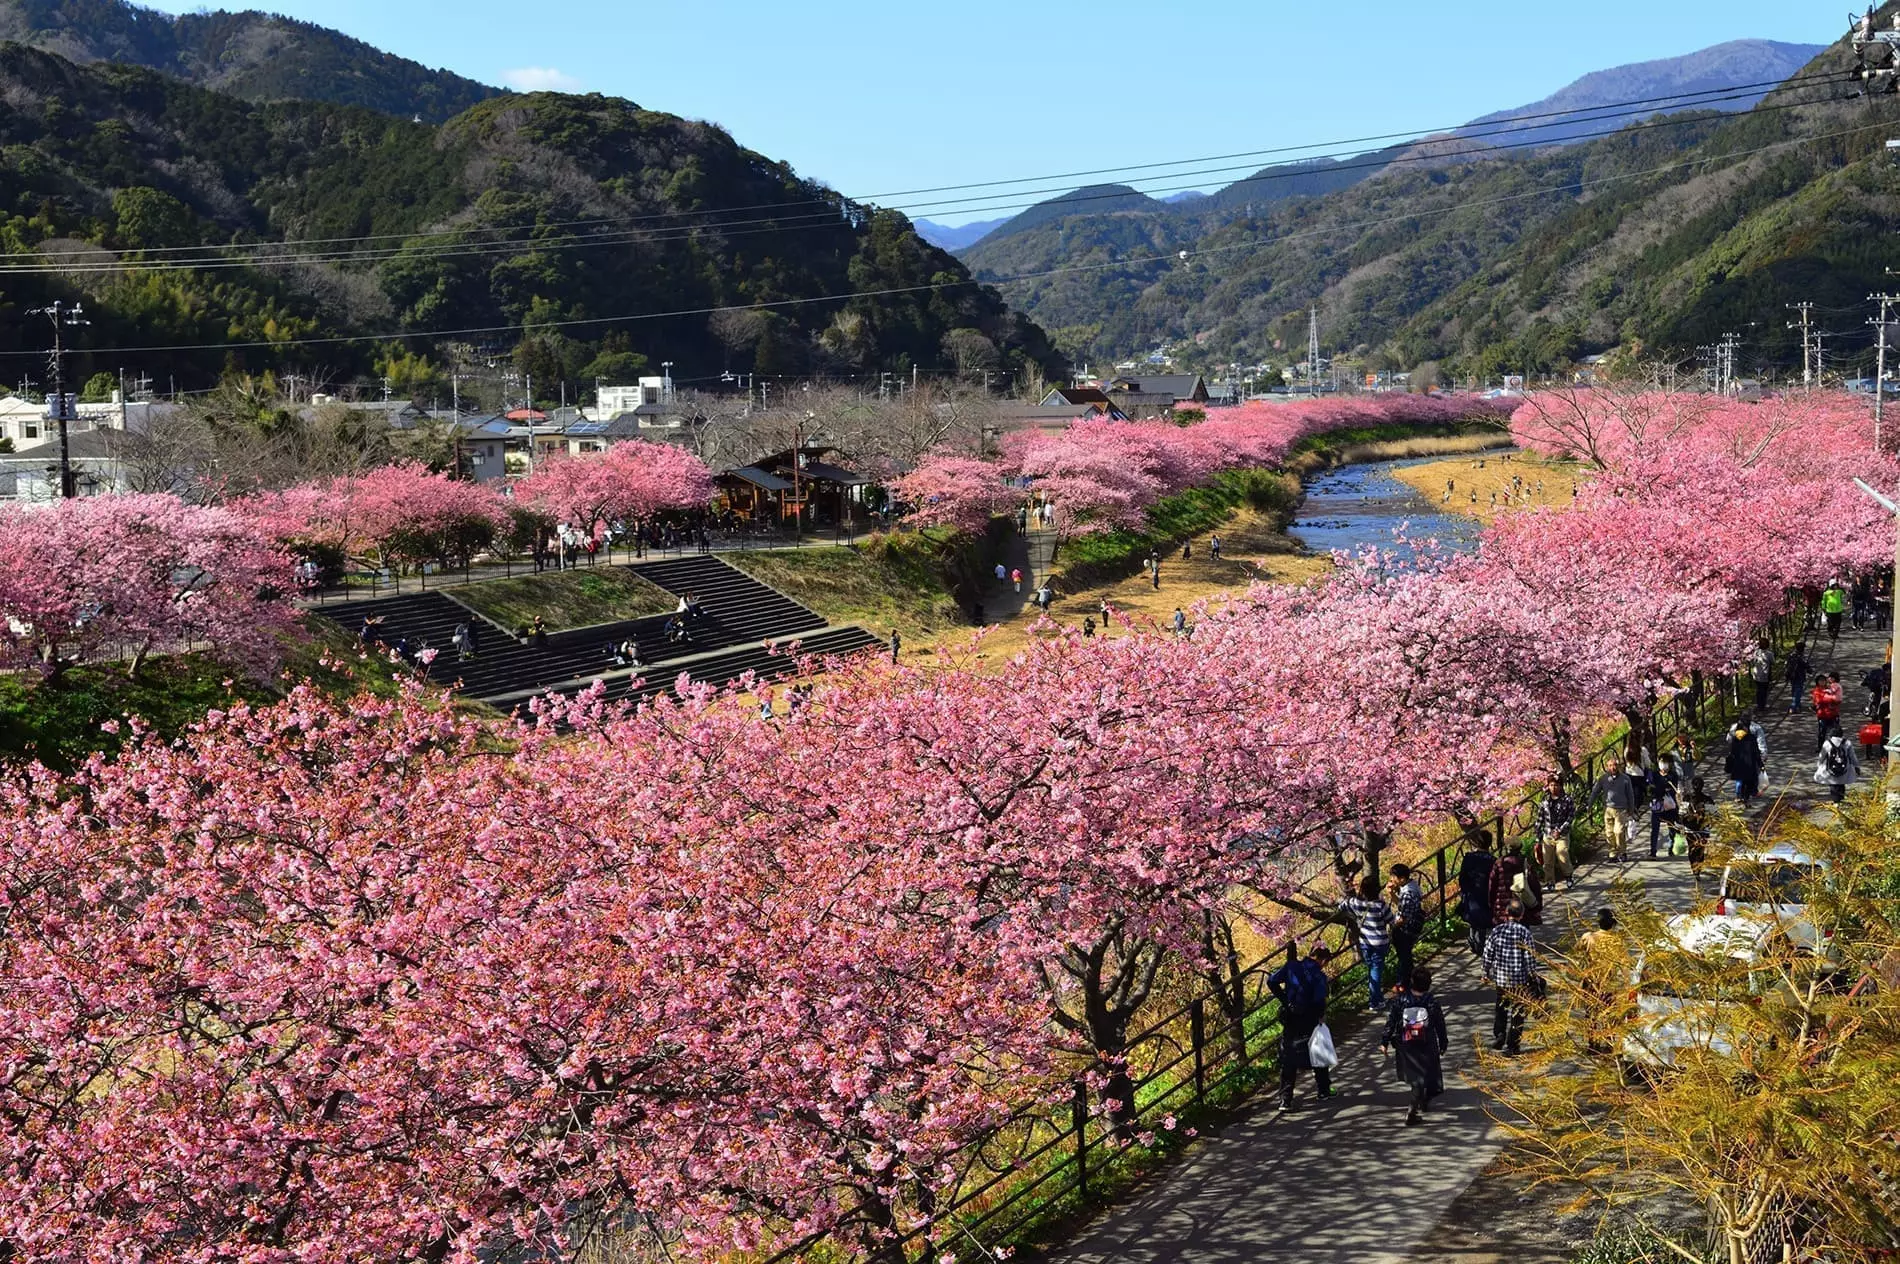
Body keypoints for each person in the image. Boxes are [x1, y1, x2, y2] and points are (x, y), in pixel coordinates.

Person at [1268, 945, 1335, 1111]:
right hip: (1310, 1017)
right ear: (1323, 960)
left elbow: (1271, 981)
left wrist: (1286, 1001)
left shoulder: (1292, 966)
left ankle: (1285, 1099)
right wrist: (1321, 1016)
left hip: (1290, 1016)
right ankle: (1323, 1090)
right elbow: (1319, 1000)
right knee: (1317, 1050)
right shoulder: (1319, 976)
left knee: (1289, 1055)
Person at [1381, 968, 1448, 1126]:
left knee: (1414, 1076)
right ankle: (1414, 1108)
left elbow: (1391, 1021)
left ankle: (1418, 1100)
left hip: (1406, 1043)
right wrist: (1443, 1042)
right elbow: (1439, 1024)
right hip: (1427, 1042)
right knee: (1427, 1075)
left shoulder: (1401, 1000)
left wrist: (1384, 1040)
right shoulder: (1431, 1001)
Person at [1482, 900, 1542, 1055]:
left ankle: (1500, 1034)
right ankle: (1512, 1045)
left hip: (1502, 979)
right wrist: (1533, 976)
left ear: (1506, 913)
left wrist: (1485, 971)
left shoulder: (1497, 931)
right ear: (1521, 915)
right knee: (1517, 1013)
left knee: (1501, 1008)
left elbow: (1488, 952)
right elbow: (1529, 957)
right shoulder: (1524, 932)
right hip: (1519, 980)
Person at [1340, 875, 1397, 1010]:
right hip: (1380, 942)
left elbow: (1342, 905)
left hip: (1365, 942)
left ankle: (1376, 998)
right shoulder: (1381, 905)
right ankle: (1374, 1001)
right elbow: (1392, 921)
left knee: (1372, 969)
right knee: (1375, 970)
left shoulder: (1356, 903)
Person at [1588, 757, 1642, 863]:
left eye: (1615, 765)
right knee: (1609, 833)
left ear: (1619, 766)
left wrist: (1631, 808)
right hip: (1608, 808)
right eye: (1611, 765)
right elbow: (1595, 792)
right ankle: (1612, 853)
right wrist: (1589, 804)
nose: (1613, 767)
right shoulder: (1603, 779)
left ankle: (1622, 852)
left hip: (1621, 809)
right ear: (1607, 767)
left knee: (1619, 831)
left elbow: (1630, 795)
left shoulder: (1625, 779)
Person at [1531, 776, 1575, 888]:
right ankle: (1550, 881)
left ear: (1560, 786)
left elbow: (1570, 817)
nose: (1553, 788)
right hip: (1548, 834)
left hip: (1562, 834)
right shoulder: (1545, 801)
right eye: (1551, 785)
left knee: (1562, 854)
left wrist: (1560, 830)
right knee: (1547, 860)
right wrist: (1537, 836)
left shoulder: (1567, 800)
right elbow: (1540, 818)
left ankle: (1569, 876)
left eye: (1556, 785)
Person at [1388, 863, 1425, 985]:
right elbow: (1402, 905)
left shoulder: (1408, 893)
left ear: (1402, 879)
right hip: (1411, 927)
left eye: (1393, 877)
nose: (1391, 879)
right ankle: (1408, 982)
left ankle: (1403, 984)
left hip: (1405, 930)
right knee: (1406, 957)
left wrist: (1392, 928)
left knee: (1404, 958)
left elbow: (1403, 918)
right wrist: (1392, 893)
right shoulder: (1412, 885)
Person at [1459, 836, 1496, 956]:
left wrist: (1464, 890)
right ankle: (1479, 944)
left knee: (1472, 916)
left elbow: (1462, 877)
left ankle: (1473, 941)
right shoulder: (1492, 860)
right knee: (1483, 919)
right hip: (1486, 893)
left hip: (1471, 892)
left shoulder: (1469, 857)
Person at [1648, 752, 1683, 860]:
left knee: (1672, 828)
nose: (1663, 765)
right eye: (1661, 762)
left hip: (1670, 805)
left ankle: (1671, 847)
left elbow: (1671, 788)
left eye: (1665, 762)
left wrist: (1660, 787)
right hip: (1657, 805)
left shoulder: (1673, 775)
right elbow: (1651, 788)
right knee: (1655, 828)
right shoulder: (1654, 774)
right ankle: (1653, 851)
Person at [1815, 726, 1860, 803]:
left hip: (1831, 768)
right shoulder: (1847, 743)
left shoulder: (1827, 743)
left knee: (1833, 784)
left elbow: (1822, 756)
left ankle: (1835, 801)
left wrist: (1819, 764)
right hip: (1844, 768)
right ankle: (1840, 798)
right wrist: (1856, 766)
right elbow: (1852, 756)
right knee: (1841, 783)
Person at [1725, 722, 1764, 802]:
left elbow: (1732, 752)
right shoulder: (1751, 738)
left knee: (1739, 780)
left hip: (1738, 764)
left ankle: (1739, 796)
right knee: (1749, 782)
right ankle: (1746, 798)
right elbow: (1756, 752)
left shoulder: (1734, 738)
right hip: (1749, 764)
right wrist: (1760, 764)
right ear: (1746, 728)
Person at [1812, 675, 1845, 752]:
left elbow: (1838, 699)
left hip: (1833, 713)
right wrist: (1831, 698)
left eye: (1823, 680)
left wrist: (1830, 698)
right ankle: (1820, 747)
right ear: (1817, 682)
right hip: (1822, 714)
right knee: (1822, 732)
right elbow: (1819, 700)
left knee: (1836, 731)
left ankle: (1836, 747)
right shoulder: (1816, 691)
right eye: (1820, 680)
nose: (1822, 682)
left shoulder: (1831, 688)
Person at [1749, 637, 1775, 711]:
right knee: (1764, 690)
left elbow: (1752, 661)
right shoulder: (1769, 654)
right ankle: (1762, 705)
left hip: (1756, 674)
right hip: (1765, 674)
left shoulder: (1756, 652)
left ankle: (1759, 704)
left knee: (1759, 689)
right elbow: (1773, 662)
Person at [1786, 639, 1810, 714]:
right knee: (1798, 691)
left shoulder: (1791, 655)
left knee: (1794, 690)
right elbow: (1806, 665)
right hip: (1800, 675)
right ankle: (1793, 706)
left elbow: (1787, 664)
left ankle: (1798, 705)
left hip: (1792, 675)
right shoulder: (1801, 657)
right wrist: (1810, 670)